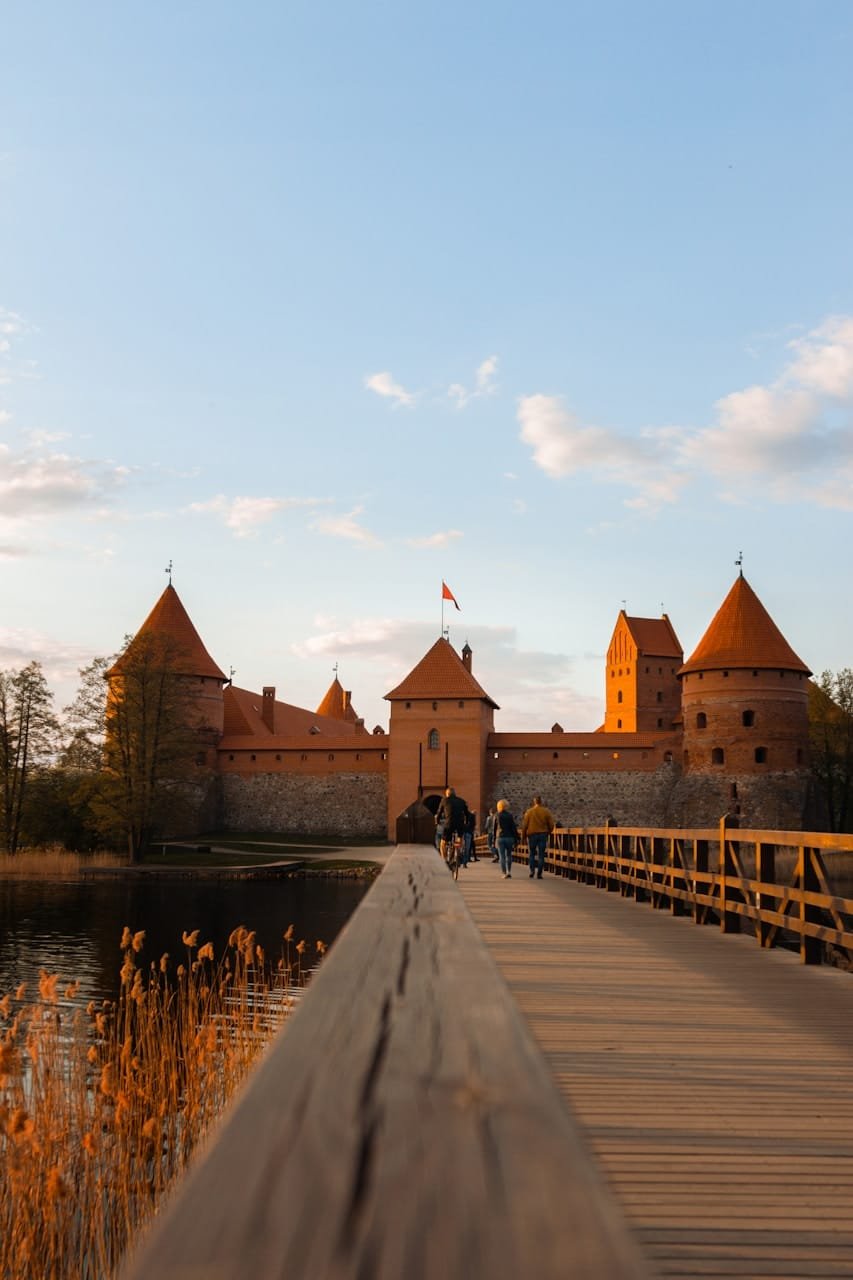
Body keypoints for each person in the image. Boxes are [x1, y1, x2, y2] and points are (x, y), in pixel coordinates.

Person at [521, 794, 555, 879]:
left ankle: (532, 871)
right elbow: (551, 824)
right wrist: (549, 832)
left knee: (531, 854)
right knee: (541, 855)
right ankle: (539, 873)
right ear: (541, 802)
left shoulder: (529, 812)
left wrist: (523, 836)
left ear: (534, 802)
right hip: (543, 834)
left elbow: (525, 825)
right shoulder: (546, 811)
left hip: (532, 835)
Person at [436, 787, 470, 863]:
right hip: (460, 825)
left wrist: (437, 822)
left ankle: (444, 859)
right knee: (459, 838)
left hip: (449, 824)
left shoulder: (444, 800)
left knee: (443, 842)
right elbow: (467, 814)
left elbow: (439, 813)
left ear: (447, 794)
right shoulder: (462, 801)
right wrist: (466, 823)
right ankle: (459, 851)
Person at [495, 799, 518, 878]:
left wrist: (494, 839)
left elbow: (494, 828)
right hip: (509, 837)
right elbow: (513, 827)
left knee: (502, 856)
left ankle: (504, 873)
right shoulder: (510, 815)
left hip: (500, 837)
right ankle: (509, 871)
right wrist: (516, 838)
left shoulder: (497, 815)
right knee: (509, 855)